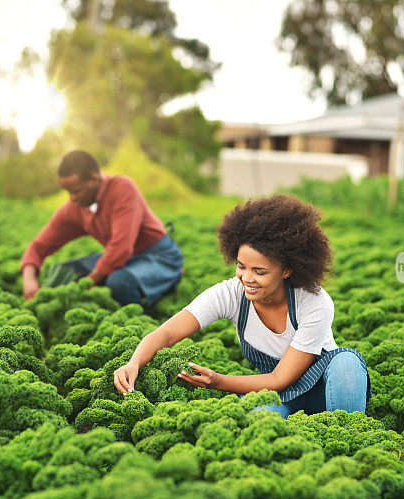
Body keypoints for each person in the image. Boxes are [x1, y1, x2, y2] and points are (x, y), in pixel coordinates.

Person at [113, 195, 371, 418]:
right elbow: (168, 333)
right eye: (241, 266)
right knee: (258, 418)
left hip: (324, 388)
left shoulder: (314, 301)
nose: (247, 278)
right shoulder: (230, 294)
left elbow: (280, 377)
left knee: (346, 362)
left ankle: (348, 437)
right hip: (276, 393)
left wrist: (218, 382)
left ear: (287, 269)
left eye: (259, 271)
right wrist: (134, 362)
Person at [20, 150, 184, 308]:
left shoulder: (122, 189)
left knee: (118, 282)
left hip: (158, 257)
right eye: (68, 192)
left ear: (93, 179)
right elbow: (39, 245)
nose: (72, 198)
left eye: (76, 191)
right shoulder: (75, 208)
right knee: (64, 273)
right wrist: (29, 279)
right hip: (124, 260)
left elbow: (121, 248)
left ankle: (140, 318)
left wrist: (87, 284)